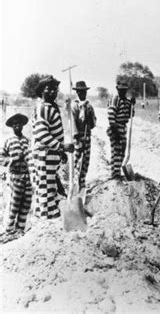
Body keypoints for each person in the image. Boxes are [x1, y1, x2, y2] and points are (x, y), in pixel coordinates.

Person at [31, 75, 73, 219]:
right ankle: (46, 219)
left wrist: (61, 152)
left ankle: (49, 216)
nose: (52, 92)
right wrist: (62, 147)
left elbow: (54, 134)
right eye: (49, 89)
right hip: (44, 155)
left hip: (51, 155)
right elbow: (42, 135)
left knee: (51, 187)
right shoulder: (43, 108)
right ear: (42, 91)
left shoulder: (51, 107)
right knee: (46, 189)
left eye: (55, 89)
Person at [0, 114, 33, 235]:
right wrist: (13, 159)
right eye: (15, 124)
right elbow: (1, 158)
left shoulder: (28, 141)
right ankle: (9, 230)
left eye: (19, 124)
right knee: (15, 203)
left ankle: (20, 229)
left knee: (26, 203)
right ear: (12, 127)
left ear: (23, 126)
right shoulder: (8, 141)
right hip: (15, 176)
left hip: (28, 176)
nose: (17, 126)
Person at [71, 81, 96, 190]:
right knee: (77, 160)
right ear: (77, 93)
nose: (82, 94)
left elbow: (93, 122)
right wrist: (77, 136)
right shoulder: (74, 105)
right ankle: (75, 184)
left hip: (87, 135)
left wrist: (90, 118)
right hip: (78, 137)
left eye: (84, 92)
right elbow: (72, 122)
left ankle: (82, 182)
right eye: (80, 92)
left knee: (85, 159)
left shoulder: (89, 106)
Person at [107, 81, 135, 179]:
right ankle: (115, 174)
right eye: (120, 90)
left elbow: (130, 115)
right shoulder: (115, 99)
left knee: (122, 152)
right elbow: (111, 116)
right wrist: (115, 132)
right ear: (117, 89)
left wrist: (132, 105)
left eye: (124, 90)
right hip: (115, 128)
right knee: (116, 152)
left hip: (123, 128)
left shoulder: (127, 101)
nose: (122, 92)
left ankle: (117, 172)